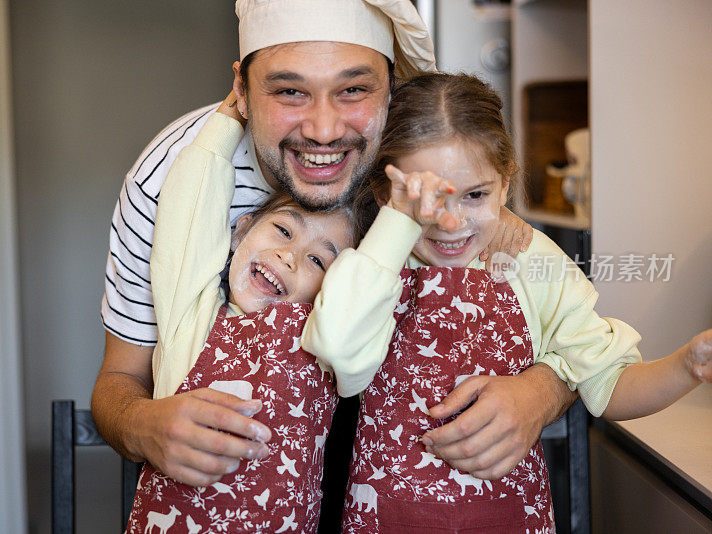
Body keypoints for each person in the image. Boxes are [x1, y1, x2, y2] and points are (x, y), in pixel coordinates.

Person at [92, 0, 576, 493]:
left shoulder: (437, 170)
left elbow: (575, 332)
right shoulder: (173, 175)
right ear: (241, 88)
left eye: (353, 90)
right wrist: (143, 427)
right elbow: (119, 378)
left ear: (394, 89)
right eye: (289, 91)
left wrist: (540, 392)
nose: (323, 131)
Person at [308, 71, 712, 532]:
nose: (451, 222)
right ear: (388, 195)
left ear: (504, 186)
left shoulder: (529, 260)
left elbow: (609, 385)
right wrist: (395, 228)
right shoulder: (370, 266)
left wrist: (687, 366)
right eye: (427, 199)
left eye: (475, 195)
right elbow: (337, 350)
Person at [126, 96, 382, 532]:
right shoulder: (193, 317)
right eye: (283, 229)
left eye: (320, 261)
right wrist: (226, 124)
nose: (289, 256)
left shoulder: (325, 341)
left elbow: (376, 280)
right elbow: (187, 214)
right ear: (240, 230)